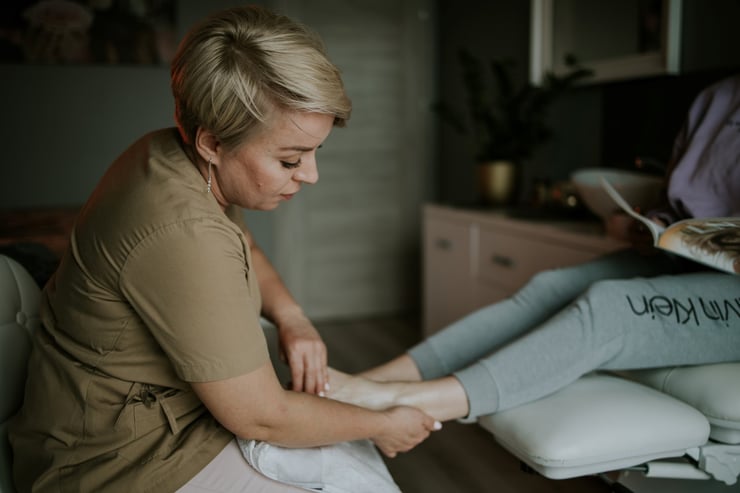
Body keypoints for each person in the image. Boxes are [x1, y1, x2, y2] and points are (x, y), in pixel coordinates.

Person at [9, 6, 440, 493]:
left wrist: (291, 318)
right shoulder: (182, 232)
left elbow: (246, 246)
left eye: (316, 152)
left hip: (174, 418)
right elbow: (261, 417)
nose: (311, 175)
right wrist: (384, 425)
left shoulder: (168, 152)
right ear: (212, 142)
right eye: (290, 159)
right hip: (118, 461)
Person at [326, 74, 740, 424]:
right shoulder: (716, 99)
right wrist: (652, 225)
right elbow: (679, 201)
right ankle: (373, 381)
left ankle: (413, 401)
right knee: (550, 287)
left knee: (610, 306)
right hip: (682, 258)